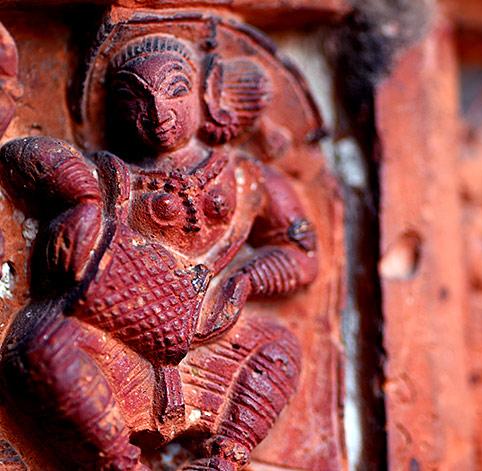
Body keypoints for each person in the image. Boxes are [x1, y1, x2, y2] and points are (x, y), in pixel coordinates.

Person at [0, 34, 317, 471]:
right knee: (42, 348)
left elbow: (301, 252)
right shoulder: (112, 177)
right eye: (134, 99)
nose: (157, 113)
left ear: (207, 98)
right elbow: (21, 154)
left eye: (176, 90)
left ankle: (226, 456)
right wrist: (84, 200)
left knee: (279, 347)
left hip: (212, 335)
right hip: (124, 340)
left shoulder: (247, 178)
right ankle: (120, 462)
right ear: (113, 111)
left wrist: (243, 281)